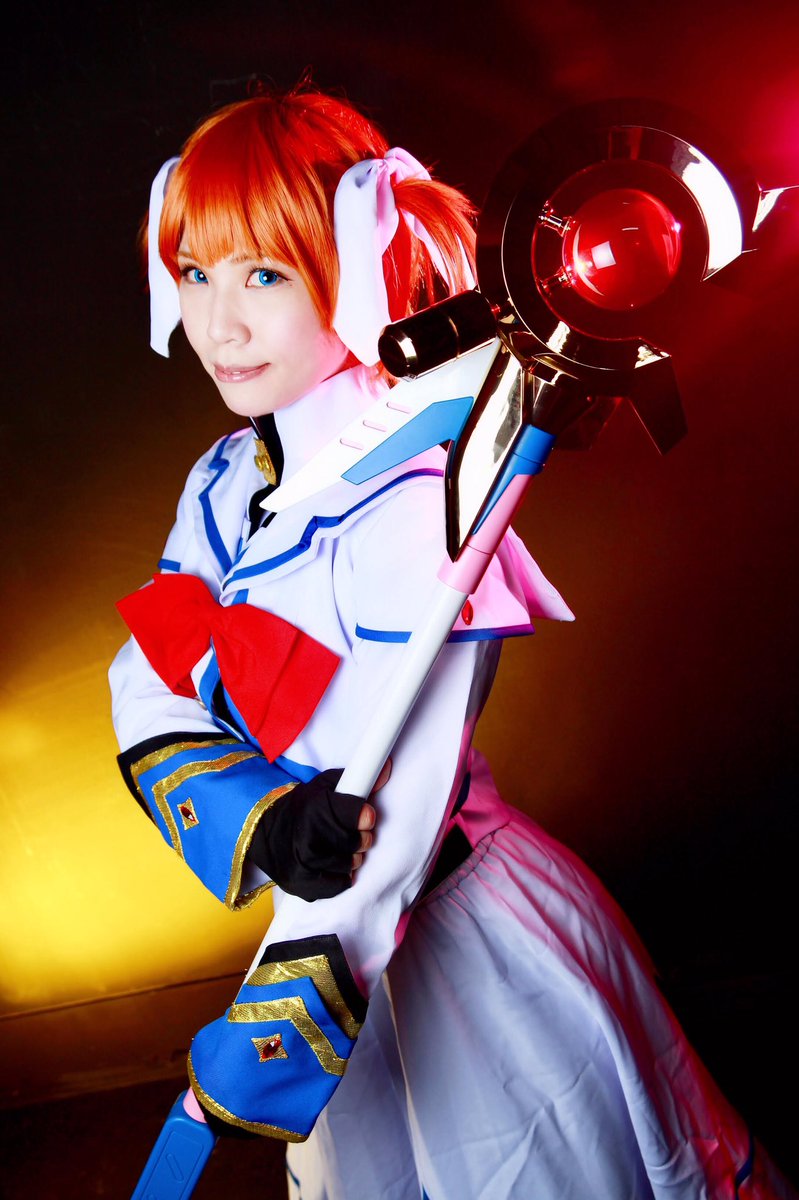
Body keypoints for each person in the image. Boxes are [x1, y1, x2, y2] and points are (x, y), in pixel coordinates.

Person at [109, 85, 795, 1200]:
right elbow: (146, 675)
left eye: (263, 276)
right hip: (319, 925)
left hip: (459, 942)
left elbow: (399, 816)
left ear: (353, 263)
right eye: (195, 273)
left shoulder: (420, 497)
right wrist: (264, 817)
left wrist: (278, 1032)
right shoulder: (224, 482)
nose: (218, 323)